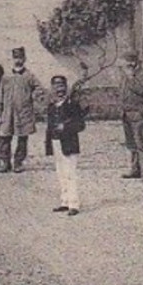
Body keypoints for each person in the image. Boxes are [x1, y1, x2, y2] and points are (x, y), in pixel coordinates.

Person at [0, 46, 44, 173]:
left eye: (20, 58)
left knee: (22, 138)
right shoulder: (6, 77)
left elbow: (39, 89)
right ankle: (5, 162)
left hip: (23, 112)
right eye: (16, 58)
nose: (18, 60)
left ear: (24, 59)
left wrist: (32, 96)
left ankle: (18, 162)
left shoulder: (29, 76)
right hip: (8, 112)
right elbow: (0, 93)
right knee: (4, 137)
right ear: (12, 59)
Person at [44, 74, 87, 215]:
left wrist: (66, 127)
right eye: (56, 85)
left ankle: (74, 204)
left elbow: (80, 125)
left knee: (70, 174)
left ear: (66, 87)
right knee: (61, 173)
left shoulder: (72, 105)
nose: (59, 89)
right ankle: (65, 201)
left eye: (61, 85)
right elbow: (49, 127)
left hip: (69, 143)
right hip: (56, 142)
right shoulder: (51, 106)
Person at [118, 50, 143, 181]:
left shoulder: (142, 75)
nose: (121, 68)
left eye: (124, 64)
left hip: (138, 113)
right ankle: (134, 169)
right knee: (131, 143)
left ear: (132, 64)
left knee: (141, 143)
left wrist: (131, 76)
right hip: (126, 113)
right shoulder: (124, 76)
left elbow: (141, 89)